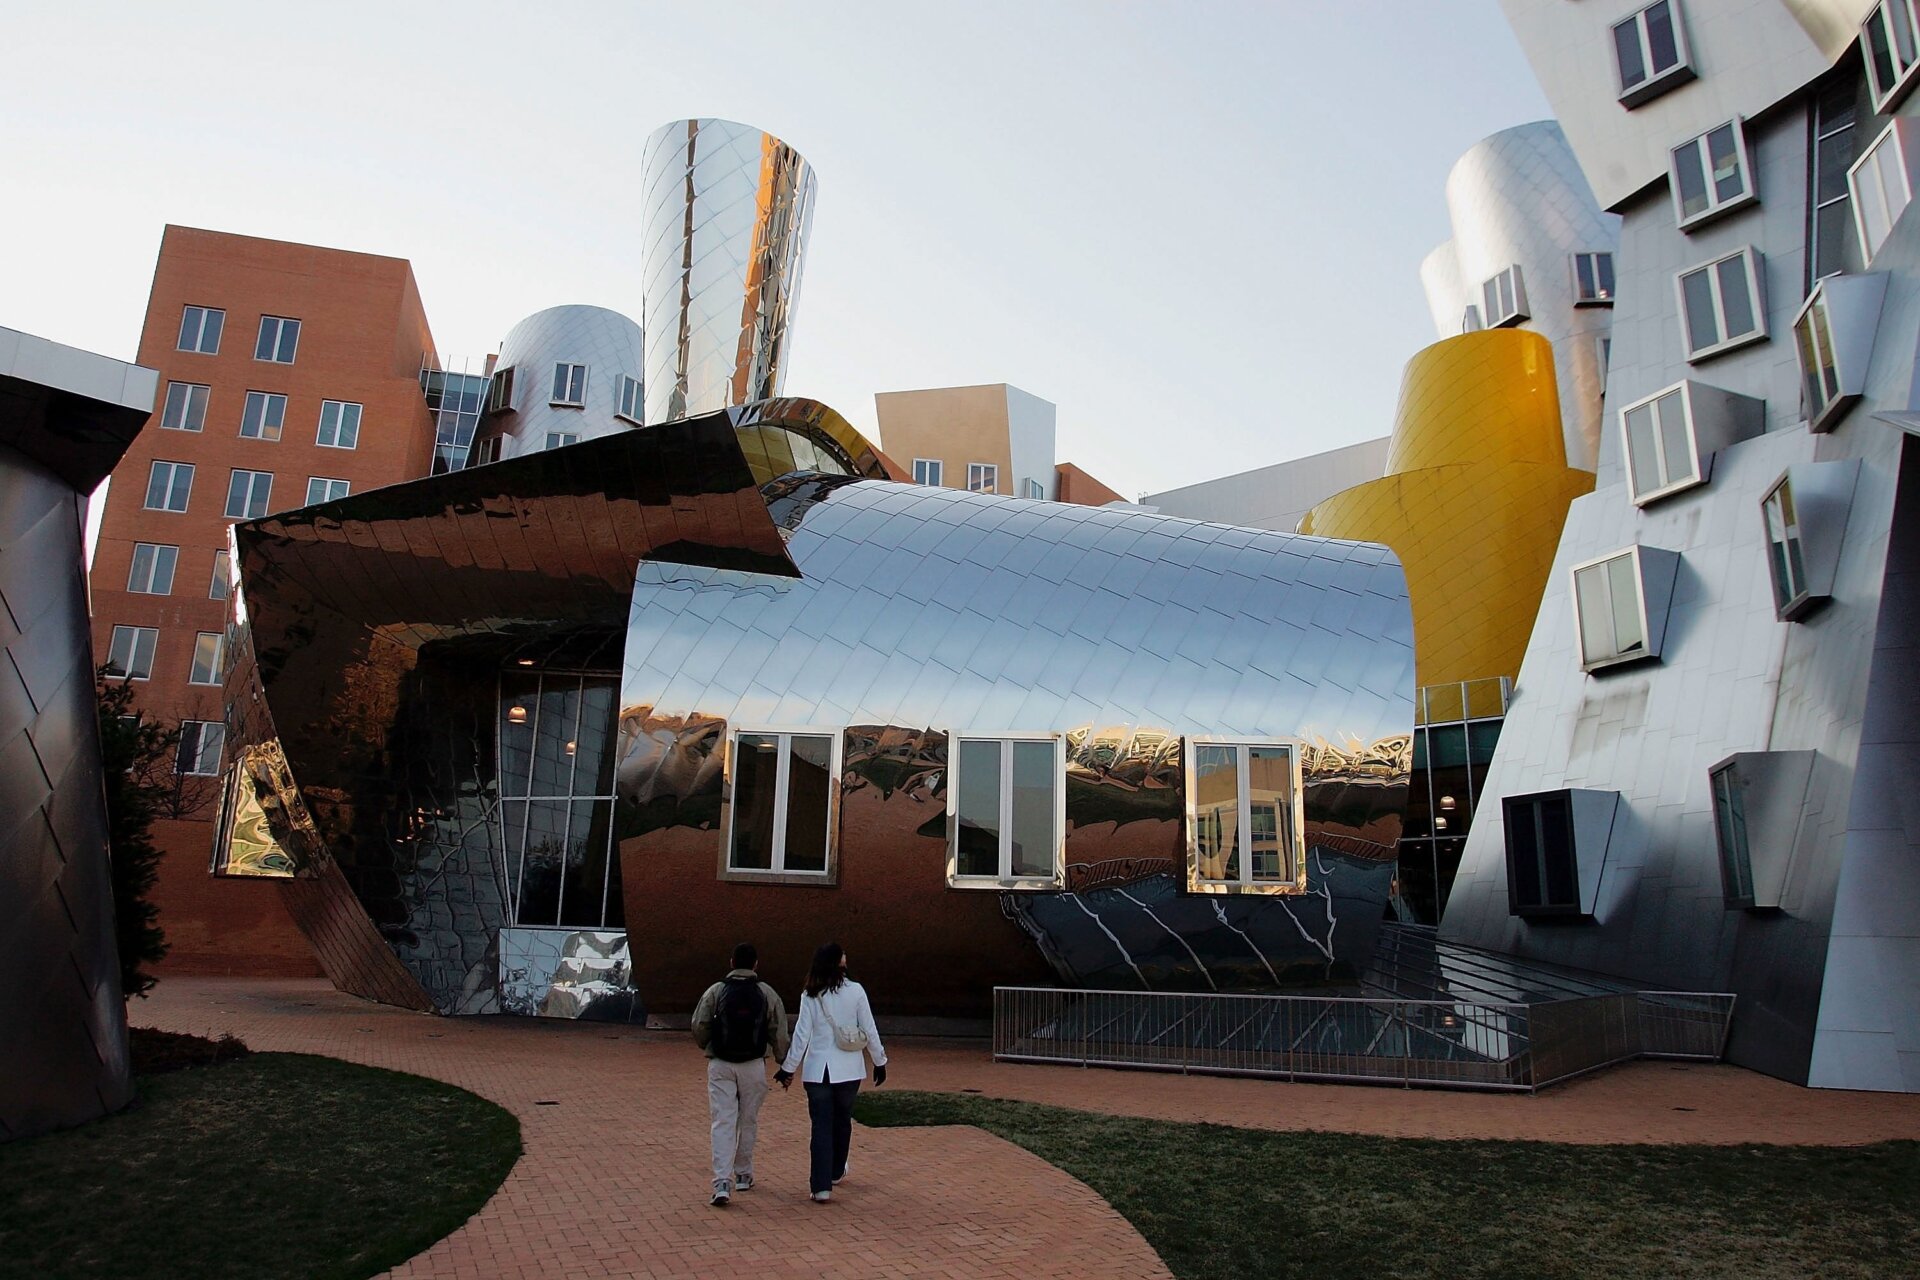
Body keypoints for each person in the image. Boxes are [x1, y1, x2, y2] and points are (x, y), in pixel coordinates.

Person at [774, 942, 887, 1203]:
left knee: (821, 1126)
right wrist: (879, 1060)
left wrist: (788, 1068)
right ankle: (836, 1169)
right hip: (849, 1068)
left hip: (817, 1070)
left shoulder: (810, 994)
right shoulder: (856, 991)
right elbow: (869, 1029)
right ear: (840, 963)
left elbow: (801, 1036)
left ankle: (820, 1186)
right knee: (842, 1120)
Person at [691, 942, 790, 1207]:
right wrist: (783, 1061)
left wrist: (709, 1046)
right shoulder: (766, 993)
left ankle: (722, 1181)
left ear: (731, 962)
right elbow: (778, 1030)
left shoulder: (717, 990)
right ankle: (744, 1173)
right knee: (748, 1120)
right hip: (754, 1064)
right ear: (756, 964)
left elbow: (699, 1025)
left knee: (722, 1121)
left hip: (721, 1063)